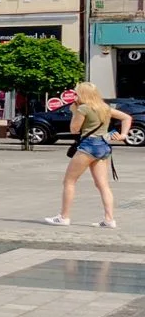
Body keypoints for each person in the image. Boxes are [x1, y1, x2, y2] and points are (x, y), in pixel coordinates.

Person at [46, 83, 132, 227]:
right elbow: (126, 118)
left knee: (69, 181)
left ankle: (64, 217)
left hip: (88, 146)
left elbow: (74, 129)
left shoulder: (83, 108)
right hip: (104, 146)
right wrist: (123, 135)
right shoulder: (105, 108)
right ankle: (109, 219)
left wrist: (74, 111)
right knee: (103, 185)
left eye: (77, 93)